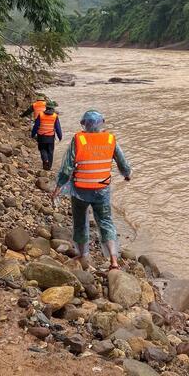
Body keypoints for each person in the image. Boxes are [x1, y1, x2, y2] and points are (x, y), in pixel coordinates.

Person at [52, 109, 131, 270]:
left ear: (83, 124)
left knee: (80, 223)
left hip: (80, 190)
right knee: (106, 222)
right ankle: (114, 261)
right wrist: (127, 174)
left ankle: (82, 254)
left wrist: (58, 187)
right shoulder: (110, 139)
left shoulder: (78, 139)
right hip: (101, 190)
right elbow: (121, 161)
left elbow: (67, 167)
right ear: (102, 122)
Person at [31, 101, 62, 170]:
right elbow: (58, 127)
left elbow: (36, 126)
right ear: (53, 108)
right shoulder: (55, 116)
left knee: (42, 149)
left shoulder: (41, 114)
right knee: (50, 151)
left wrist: (33, 134)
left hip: (41, 136)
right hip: (51, 137)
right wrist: (60, 136)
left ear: (46, 107)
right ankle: (49, 167)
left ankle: (45, 161)